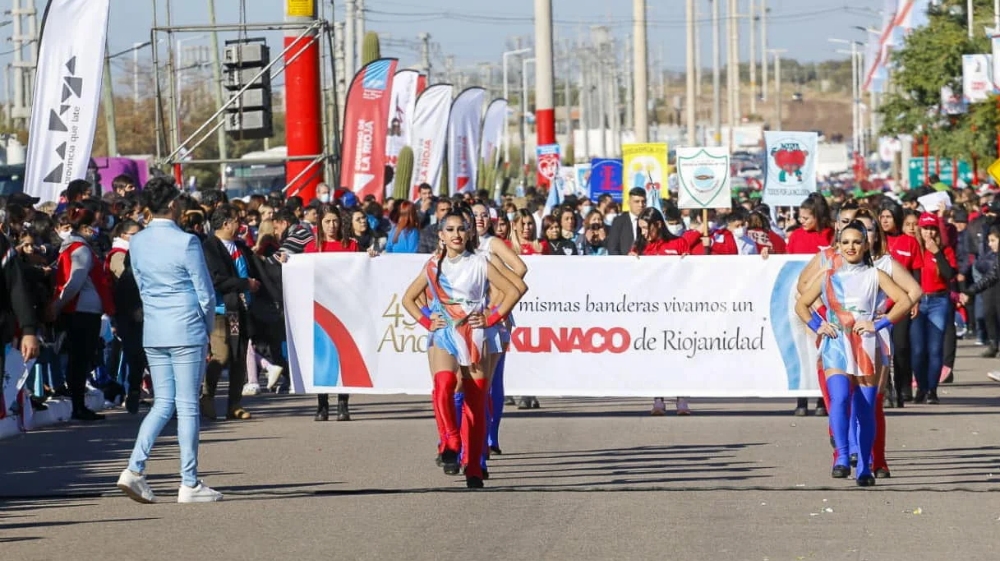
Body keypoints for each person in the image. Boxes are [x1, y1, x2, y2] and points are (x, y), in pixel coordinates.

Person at [116, 177, 222, 504]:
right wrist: (206, 329)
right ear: (174, 204)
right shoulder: (187, 241)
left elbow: (141, 285)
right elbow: (205, 293)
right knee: (187, 405)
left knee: (163, 403)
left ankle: (135, 468)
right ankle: (189, 482)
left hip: (155, 327)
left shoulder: (137, 242)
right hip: (186, 326)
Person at [401, 211, 524, 489]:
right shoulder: (433, 265)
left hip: (473, 335)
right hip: (444, 333)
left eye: (461, 229)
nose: (456, 234)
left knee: (476, 402)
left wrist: (491, 317)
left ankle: (474, 467)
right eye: (450, 229)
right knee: (444, 384)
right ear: (441, 235)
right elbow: (408, 298)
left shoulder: (480, 262)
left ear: (468, 233)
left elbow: (515, 290)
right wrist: (427, 321)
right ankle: (451, 439)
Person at [795, 220, 913, 487]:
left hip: (865, 346)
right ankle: (841, 456)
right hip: (836, 344)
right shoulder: (827, 276)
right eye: (846, 242)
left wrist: (878, 323)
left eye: (857, 242)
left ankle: (864, 467)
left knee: (865, 408)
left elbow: (905, 300)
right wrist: (817, 325)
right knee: (838, 399)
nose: (851, 247)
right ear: (838, 245)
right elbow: (801, 304)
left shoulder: (875, 275)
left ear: (866, 245)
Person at [50, 203, 115, 421]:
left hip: (79, 310)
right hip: (82, 311)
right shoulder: (81, 250)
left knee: (79, 360)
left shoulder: (70, 248)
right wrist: (57, 305)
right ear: (86, 228)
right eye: (94, 225)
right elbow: (74, 283)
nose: (96, 230)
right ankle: (78, 406)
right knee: (80, 360)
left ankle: (79, 405)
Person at [201, 205, 263, 421]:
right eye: (237, 220)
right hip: (221, 310)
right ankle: (207, 396)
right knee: (222, 354)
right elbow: (215, 279)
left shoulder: (240, 246)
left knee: (239, 357)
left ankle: (234, 404)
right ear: (226, 224)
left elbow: (258, 266)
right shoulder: (209, 248)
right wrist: (245, 284)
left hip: (241, 310)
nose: (240, 224)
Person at [306, 206, 360, 421]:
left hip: (345, 307)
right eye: (327, 221)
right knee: (321, 357)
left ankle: (343, 404)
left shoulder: (351, 245)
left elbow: (362, 272)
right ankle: (322, 404)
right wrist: (287, 262)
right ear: (320, 223)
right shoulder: (312, 247)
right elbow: (301, 272)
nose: (331, 226)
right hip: (320, 309)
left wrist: (371, 258)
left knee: (344, 354)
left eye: (335, 221)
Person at [788, 194, 835, 417]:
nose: (801, 221)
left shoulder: (831, 235)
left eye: (806, 217)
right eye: (800, 217)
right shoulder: (796, 236)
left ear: (818, 216)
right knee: (801, 349)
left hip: (825, 300)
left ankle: (821, 398)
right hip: (800, 299)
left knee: (821, 349)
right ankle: (801, 398)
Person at [911, 212, 956, 404]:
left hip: (939, 301)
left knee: (935, 349)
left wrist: (937, 252)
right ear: (919, 230)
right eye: (925, 229)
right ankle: (921, 387)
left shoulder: (945, 250)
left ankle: (932, 390)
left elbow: (949, 274)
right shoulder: (915, 249)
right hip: (918, 302)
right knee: (918, 350)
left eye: (932, 229)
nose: (928, 233)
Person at [106, 219, 147, 414]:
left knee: (144, 356)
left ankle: (137, 390)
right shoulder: (119, 256)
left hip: (144, 313)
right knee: (134, 355)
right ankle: (132, 389)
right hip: (128, 315)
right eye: (134, 234)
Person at [606, 188, 647, 255]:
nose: (641, 205)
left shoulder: (651, 220)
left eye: (643, 201)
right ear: (629, 203)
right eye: (637, 201)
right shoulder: (619, 221)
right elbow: (612, 249)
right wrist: (626, 259)